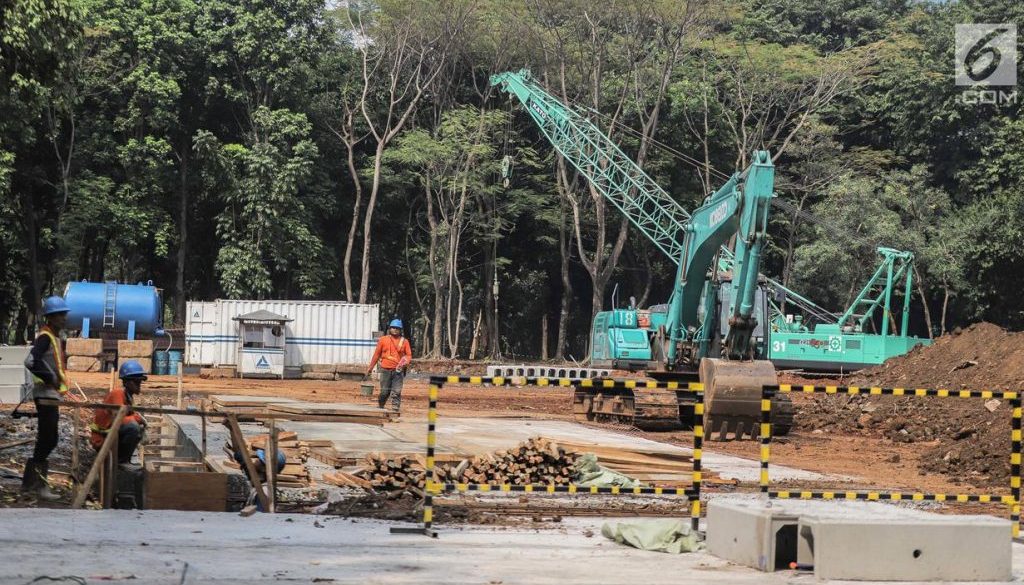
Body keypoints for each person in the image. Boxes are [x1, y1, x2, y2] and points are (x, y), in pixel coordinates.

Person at [22, 295, 72, 500]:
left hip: (51, 394)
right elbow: (30, 361)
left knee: (49, 438)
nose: (63, 318)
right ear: (50, 317)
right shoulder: (45, 337)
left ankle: (31, 484)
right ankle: (36, 485)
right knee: (48, 438)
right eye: (59, 315)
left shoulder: (55, 337)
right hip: (44, 394)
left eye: (64, 314)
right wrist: (49, 377)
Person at [90, 360, 148, 464]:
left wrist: (138, 419)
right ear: (126, 382)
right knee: (133, 428)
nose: (139, 385)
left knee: (136, 428)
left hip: (110, 435)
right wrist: (137, 418)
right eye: (136, 382)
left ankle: (124, 459)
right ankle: (120, 461)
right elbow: (119, 420)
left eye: (140, 382)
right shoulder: (117, 394)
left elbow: (128, 416)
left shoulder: (128, 398)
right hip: (102, 439)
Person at [365, 319, 412, 413]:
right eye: (393, 328)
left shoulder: (404, 341)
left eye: (397, 328)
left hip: (398, 371)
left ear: (400, 330)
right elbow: (376, 355)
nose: (395, 330)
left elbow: (408, 355)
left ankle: (395, 409)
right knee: (385, 392)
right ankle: (381, 405)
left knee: (397, 391)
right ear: (390, 329)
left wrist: (405, 362)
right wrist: (370, 368)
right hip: (385, 370)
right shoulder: (383, 340)